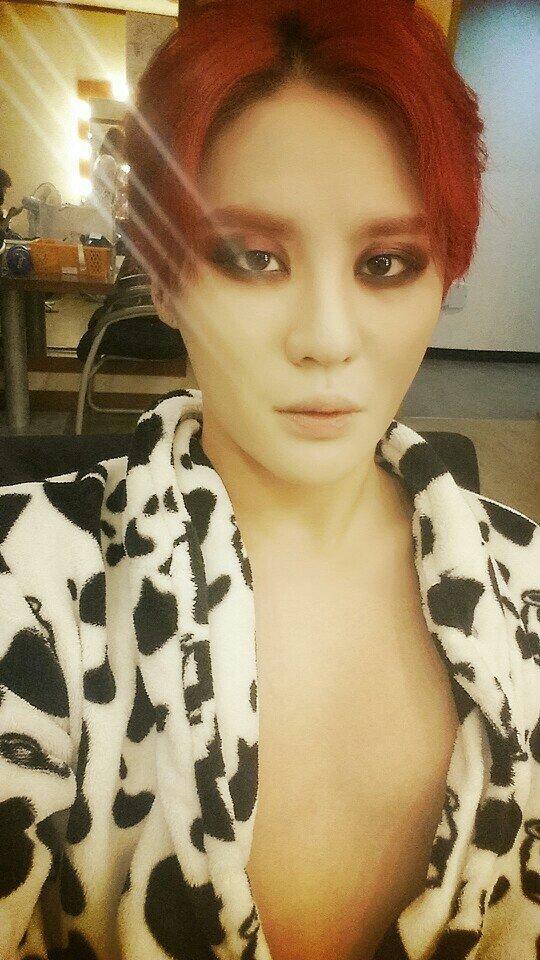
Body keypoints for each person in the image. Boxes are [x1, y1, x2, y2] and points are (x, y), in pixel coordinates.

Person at [0, 2, 538, 958]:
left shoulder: (526, 584)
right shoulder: (28, 591)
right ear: (165, 278)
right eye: (254, 258)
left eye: (385, 263)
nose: (326, 338)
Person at [89, 125, 125, 216]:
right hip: (102, 210)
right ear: (117, 144)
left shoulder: (101, 159)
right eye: (122, 145)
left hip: (99, 209)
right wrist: (126, 189)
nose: (123, 150)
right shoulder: (109, 160)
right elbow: (112, 186)